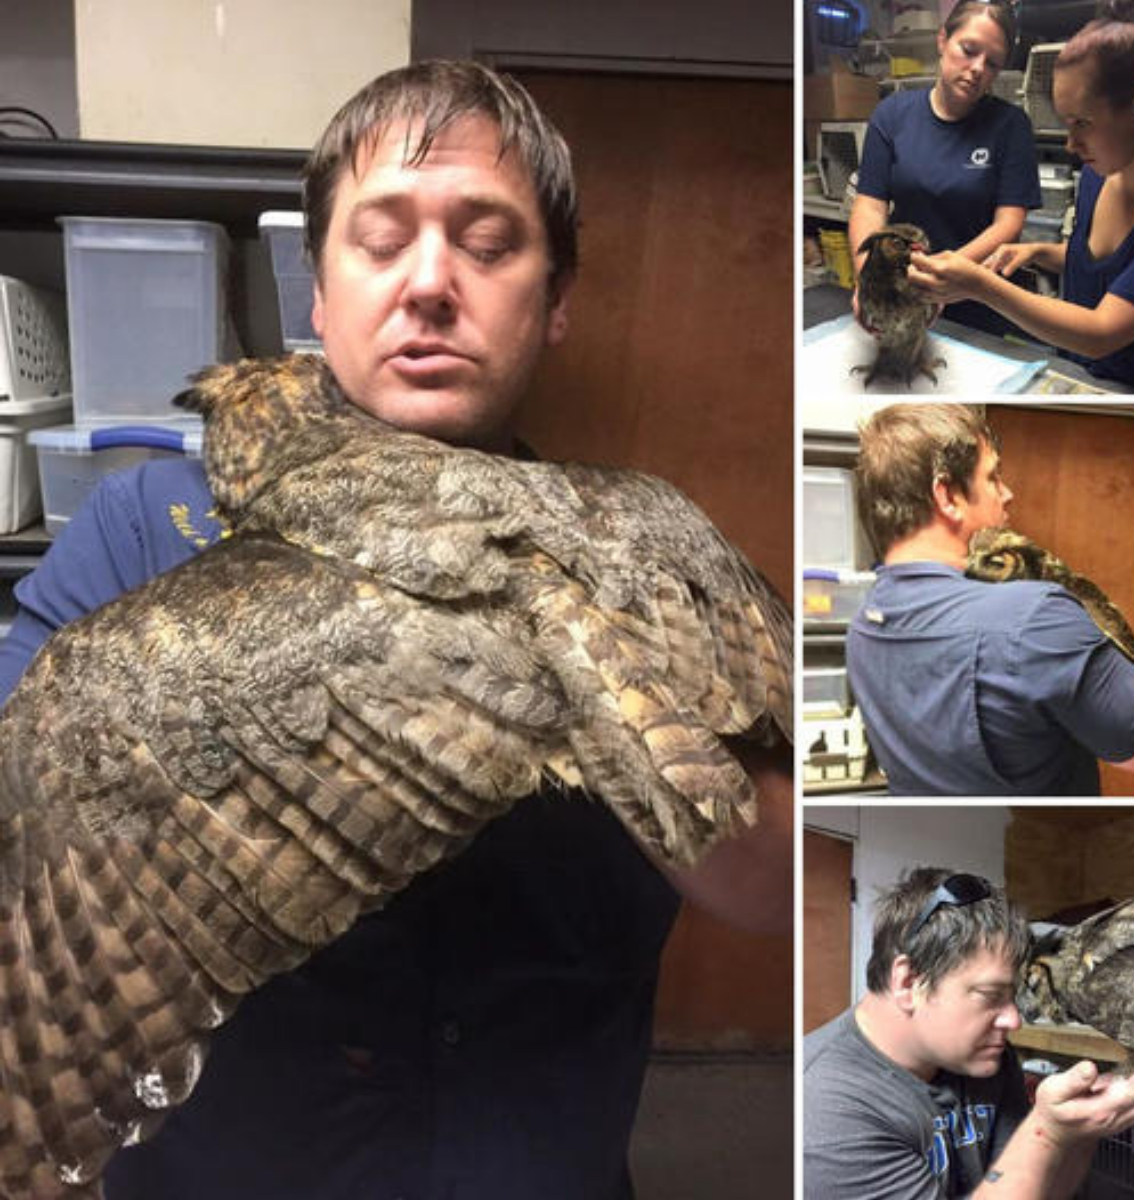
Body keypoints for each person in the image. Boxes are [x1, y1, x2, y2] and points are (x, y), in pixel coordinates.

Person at [0, 61, 793, 1199]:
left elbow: (782, 890)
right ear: (318, 292)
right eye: (381, 241)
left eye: (488, 242)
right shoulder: (148, 537)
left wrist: (573, 647)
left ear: (555, 300)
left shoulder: (650, 539)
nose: (430, 282)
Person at [804, 866, 1134, 1199]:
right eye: (991, 995)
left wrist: (1086, 1127)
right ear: (908, 982)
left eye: (1014, 997)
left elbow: (1043, 1190)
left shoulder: (982, 1057)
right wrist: (1049, 1132)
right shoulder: (824, 1109)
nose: (1013, 1020)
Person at [846, 403, 1134, 795]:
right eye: (993, 477)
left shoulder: (863, 626)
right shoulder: (1033, 617)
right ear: (948, 495)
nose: (1007, 494)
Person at [908, 0, 1134, 392]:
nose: (1071, 143)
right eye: (1066, 122)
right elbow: (1123, 270)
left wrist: (979, 285)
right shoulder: (1101, 172)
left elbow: (1101, 332)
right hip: (1074, 375)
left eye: (1082, 123)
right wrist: (1040, 252)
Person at [849, 0, 1041, 335]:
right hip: (904, 290)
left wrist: (942, 277)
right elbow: (870, 205)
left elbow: (1008, 223)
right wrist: (870, 280)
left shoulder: (1011, 126)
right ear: (942, 40)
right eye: (968, 50)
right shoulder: (891, 115)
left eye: (992, 63)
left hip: (978, 299)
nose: (978, 68)